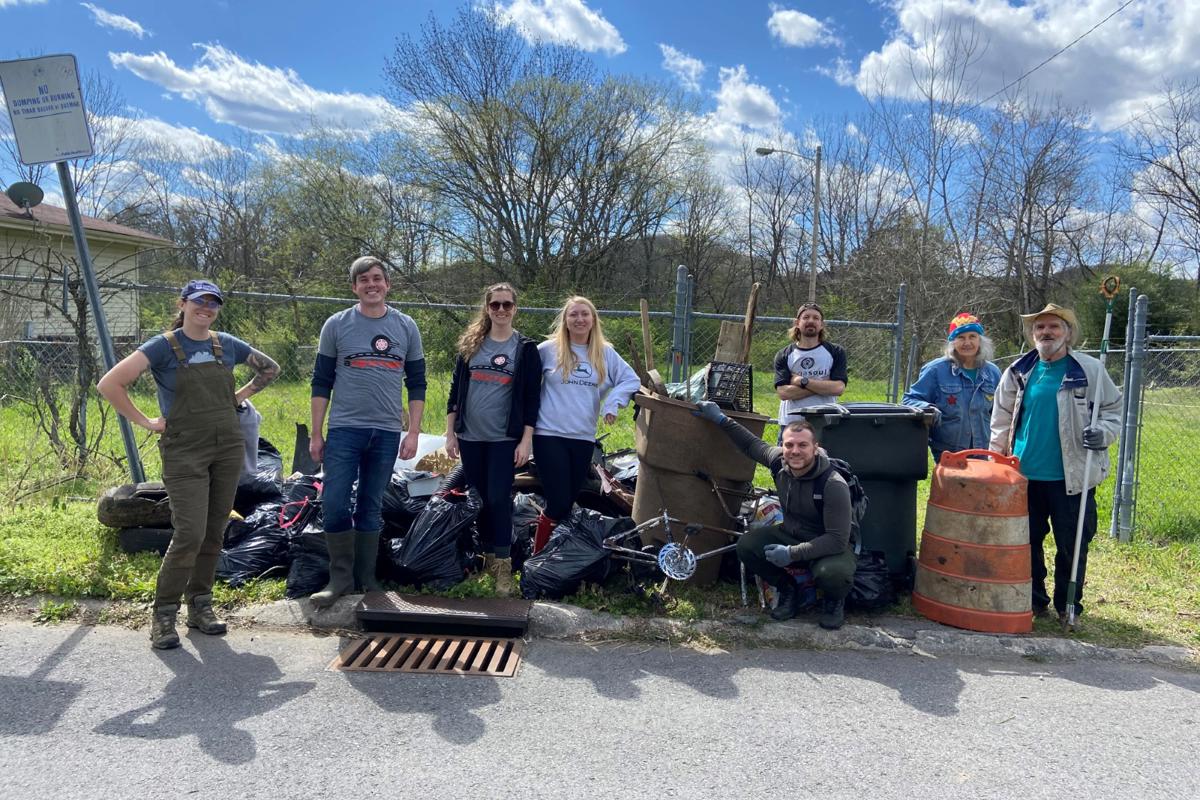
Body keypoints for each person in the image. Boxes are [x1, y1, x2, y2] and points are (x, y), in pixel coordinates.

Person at [97, 279, 280, 649]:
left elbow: (270, 368)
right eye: (199, 302)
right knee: (189, 533)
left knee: (214, 531)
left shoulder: (225, 344)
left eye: (213, 303)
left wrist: (238, 396)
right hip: (184, 450)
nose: (206, 308)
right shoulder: (163, 347)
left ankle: (200, 607)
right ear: (182, 304)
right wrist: (146, 421)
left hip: (227, 446)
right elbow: (110, 384)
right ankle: (163, 616)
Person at [989, 303, 1121, 625]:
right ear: (1033, 334)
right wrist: (996, 463)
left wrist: (1102, 432)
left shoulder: (1088, 370)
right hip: (1023, 475)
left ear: (1067, 334)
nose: (1046, 333)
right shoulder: (1018, 371)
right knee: (1025, 542)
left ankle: (1068, 605)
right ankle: (1033, 601)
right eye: (1040, 328)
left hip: (1071, 476)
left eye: (1053, 327)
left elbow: (1113, 410)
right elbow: (1001, 420)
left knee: (1072, 544)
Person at [309, 256, 426, 608]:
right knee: (334, 502)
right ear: (354, 287)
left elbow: (417, 383)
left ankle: (366, 577)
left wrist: (414, 433)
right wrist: (316, 433)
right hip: (345, 429)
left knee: (371, 506)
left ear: (388, 284)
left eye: (377, 278)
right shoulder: (337, 324)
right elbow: (321, 381)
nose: (371, 284)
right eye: (363, 280)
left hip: (388, 432)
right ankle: (340, 578)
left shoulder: (406, 327)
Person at [694, 401, 856, 629]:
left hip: (827, 544)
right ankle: (790, 588)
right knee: (747, 546)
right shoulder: (779, 462)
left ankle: (834, 600)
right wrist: (721, 419)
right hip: (790, 534)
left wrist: (792, 553)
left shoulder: (832, 484)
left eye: (803, 445)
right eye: (789, 445)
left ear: (815, 447)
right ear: (782, 445)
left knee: (833, 574)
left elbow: (837, 539)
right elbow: (751, 445)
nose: (795, 451)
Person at [444, 283, 541, 596]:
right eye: (495, 305)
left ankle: (503, 569)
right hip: (471, 438)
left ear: (515, 308)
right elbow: (455, 392)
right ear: (487, 308)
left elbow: (531, 399)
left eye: (507, 305)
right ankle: (484, 560)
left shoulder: (525, 349)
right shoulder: (471, 345)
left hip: (503, 440)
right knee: (478, 498)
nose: (501, 310)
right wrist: (450, 433)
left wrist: (526, 440)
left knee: (499, 499)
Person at [531, 296, 640, 553]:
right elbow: (525, 388)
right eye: (573, 315)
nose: (579, 319)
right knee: (558, 502)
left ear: (593, 320)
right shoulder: (547, 350)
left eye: (585, 314)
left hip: (582, 438)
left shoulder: (604, 352)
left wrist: (613, 403)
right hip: (549, 435)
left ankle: (556, 557)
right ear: (565, 321)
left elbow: (630, 379)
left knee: (568, 500)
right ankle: (537, 556)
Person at [902, 312, 1002, 462]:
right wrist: (928, 408)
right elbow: (909, 400)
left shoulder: (993, 373)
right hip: (948, 452)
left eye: (972, 336)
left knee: (981, 486)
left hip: (984, 452)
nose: (967, 342)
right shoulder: (935, 370)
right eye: (961, 337)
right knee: (953, 486)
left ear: (980, 340)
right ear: (952, 342)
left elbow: (1000, 412)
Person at [774, 302, 848, 438]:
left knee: (825, 460)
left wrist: (801, 380)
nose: (811, 321)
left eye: (816, 318)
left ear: (822, 324)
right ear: (797, 322)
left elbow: (838, 388)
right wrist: (823, 385)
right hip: (791, 426)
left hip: (825, 425)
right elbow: (784, 393)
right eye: (806, 317)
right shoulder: (784, 354)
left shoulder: (836, 352)